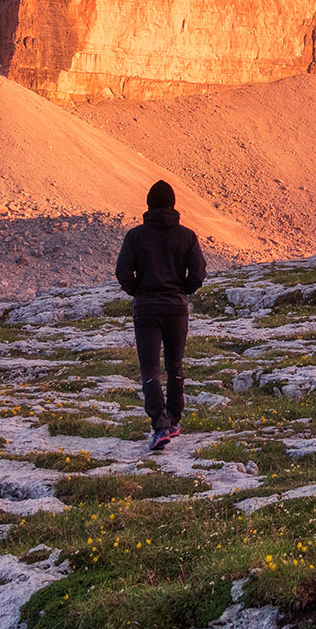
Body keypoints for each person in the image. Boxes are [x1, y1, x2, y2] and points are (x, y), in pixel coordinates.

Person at [114, 180, 207, 451]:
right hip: (177, 309)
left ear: (148, 205)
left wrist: (139, 292)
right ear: (173, 204)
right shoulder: (187, 236)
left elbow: (123, 272)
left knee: (150, 370)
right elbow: (198, 272)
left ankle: (160, 424)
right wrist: (182, 291)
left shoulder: (135, 236)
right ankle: (174, 419)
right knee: (175, 366)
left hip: (146, 309)